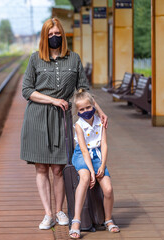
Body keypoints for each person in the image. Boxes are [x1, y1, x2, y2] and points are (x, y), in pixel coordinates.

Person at [21, 17, 108, 230]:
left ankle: (60, 211)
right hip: (37, 118)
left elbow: (83, 89)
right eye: (50, 35)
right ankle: (47, 214)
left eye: (57, 33)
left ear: (63, 35)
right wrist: (52, 100)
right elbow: (27, 91)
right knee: (41, 168)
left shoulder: (74, 59)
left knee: (59, 169)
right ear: (44, 37)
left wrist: (100, 111)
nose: (54, 37)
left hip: (62, 120)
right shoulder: (35, 59)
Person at [69, 91, 119, 239]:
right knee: (84, 178)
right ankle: (76, 221)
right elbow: (83, 150)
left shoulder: (100, 122)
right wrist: (91, 171)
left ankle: (108, 220)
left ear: (94, 106)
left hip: (97, 156)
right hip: (82, 156)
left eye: (88, 107)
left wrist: (102, 166)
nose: (86, 111)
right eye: (81, 109)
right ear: (77, 111)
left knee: (108, 189)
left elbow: (104, 144)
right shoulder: (79, 125)